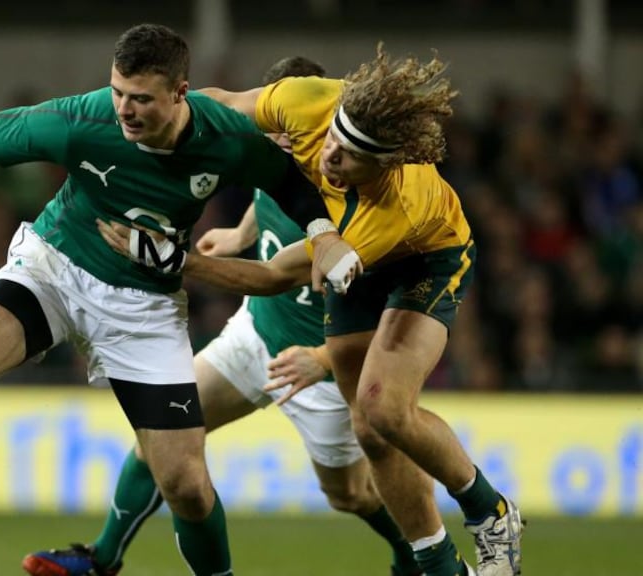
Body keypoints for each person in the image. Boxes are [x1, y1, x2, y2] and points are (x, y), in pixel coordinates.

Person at [0, 24, 359, 576]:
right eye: (118, 92)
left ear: (180, 93)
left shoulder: (227, 138)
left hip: (144, 307)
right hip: (56, 266)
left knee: (185, 484)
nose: (124, 109)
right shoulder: (80, 120)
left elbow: (290, 184)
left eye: (140, 98)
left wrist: (323, 234)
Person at [96, 44, 524, 576]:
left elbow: (274, 276)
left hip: (423, 260)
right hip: (322, 277)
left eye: (349, 157)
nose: (329, 158)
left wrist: (173, 260)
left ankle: (489, 511)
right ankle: (438, 564)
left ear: (383, 164)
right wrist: (148, 124)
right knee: (369, 434)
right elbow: (218, 105)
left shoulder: (385, 213)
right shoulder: (305, 103)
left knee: (383, 410)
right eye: (333, 140)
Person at [22, 56, 422, 576]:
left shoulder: (362, 206)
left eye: (290, 129)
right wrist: (241, 234)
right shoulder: (268, 154)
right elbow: (268, 195)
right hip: (256, 335)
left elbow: (392, 318)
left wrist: (324, 358)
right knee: (159, 435)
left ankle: (412, 552)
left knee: (348, 495)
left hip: (322, 368)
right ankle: (101, 558)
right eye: (272, 126)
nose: (280, 139)